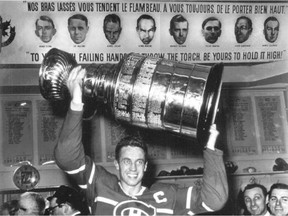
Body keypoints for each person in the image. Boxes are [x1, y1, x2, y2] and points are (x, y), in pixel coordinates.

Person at [54, 66, 229, 215]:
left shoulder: (167, 195)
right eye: (126, 161)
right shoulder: (101, 185)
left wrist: (211, 147)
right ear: (117, 164)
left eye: (139, 162)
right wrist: (77, 102)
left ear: (146, 166)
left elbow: (214, 200)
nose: (133, 168)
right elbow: (66, 157)